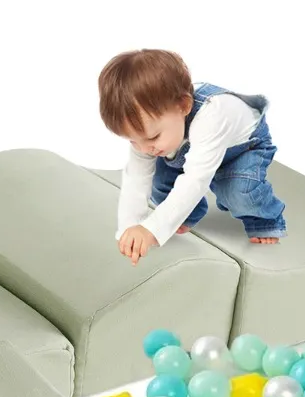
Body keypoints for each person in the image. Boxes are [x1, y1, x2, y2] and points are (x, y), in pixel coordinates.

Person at [98, 49, 287, 265]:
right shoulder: (151, 132)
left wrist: (151, 230)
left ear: (184, 106)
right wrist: (130, 227)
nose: (143, 148)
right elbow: (137, 178)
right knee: (159, 180)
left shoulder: (212, 116)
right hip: (193, 148)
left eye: (153, 137)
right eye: (132, 141)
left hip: (243, 147)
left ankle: (265, 220)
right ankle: (188, 213)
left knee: (238, 193)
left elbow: (195, 180)